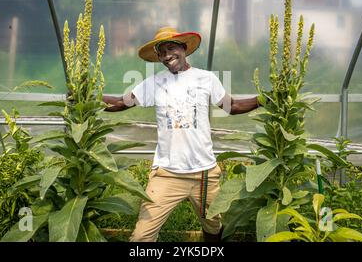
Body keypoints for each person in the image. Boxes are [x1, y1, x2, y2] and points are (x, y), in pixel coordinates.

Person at [103, 27, 262, 242]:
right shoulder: (155, 82)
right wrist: (90, 98)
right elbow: (122, 103)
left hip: (205, 174)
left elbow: (231, 106)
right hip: (167, 174)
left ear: (184, 48)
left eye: (171, 48)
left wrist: (262, 100)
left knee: (214, 227)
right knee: (141, 237)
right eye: (162, 52)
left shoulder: (206, 79)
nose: (167, 56)